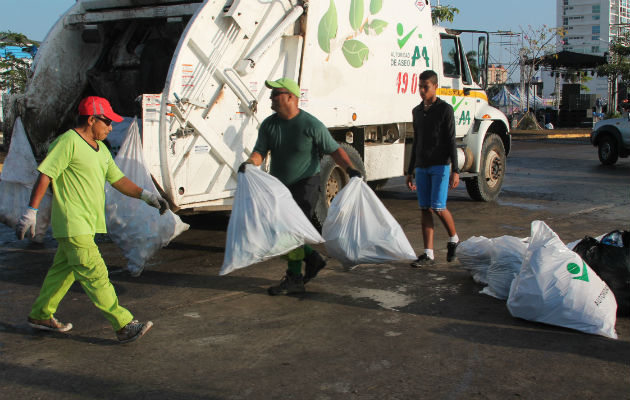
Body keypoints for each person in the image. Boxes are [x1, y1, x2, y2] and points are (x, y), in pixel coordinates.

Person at [15, 96, 168, 343]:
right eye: (107, 122)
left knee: (63, 272)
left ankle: (41, 314)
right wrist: (30, 211)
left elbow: (118, 180)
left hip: (86, 224)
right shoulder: (68, 142)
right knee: (96, 273)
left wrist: (147, 196)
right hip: (72, 222)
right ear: (92, 119)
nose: (110, 128)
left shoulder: (102, 151)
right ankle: (123, 324)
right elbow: (45, 175)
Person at [239, 78, 361, 295]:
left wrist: (350, 169)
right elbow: (260, 152)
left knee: (291, 232)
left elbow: (334, 150)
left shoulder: (311, 125)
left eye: (276, 93)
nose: (271, 98)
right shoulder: (269, 125)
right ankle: (312, 258)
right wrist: (249, 164)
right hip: (280, 187)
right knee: (278, 231)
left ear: (290, 97)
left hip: (306, 184)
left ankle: (295, 277)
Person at [405, 70, 460, 267]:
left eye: (425, 87)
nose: (421, 90)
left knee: (438, 206)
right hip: (421, 165)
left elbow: (451, 140)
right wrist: (410, 170)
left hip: (440, 165)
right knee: (424, 208)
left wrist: (456, 170)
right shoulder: (417, 111)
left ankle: (454, 238)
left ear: (435, 86)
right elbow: (416, 141)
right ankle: (428, 254)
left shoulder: (445, 110)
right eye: (420, 86)